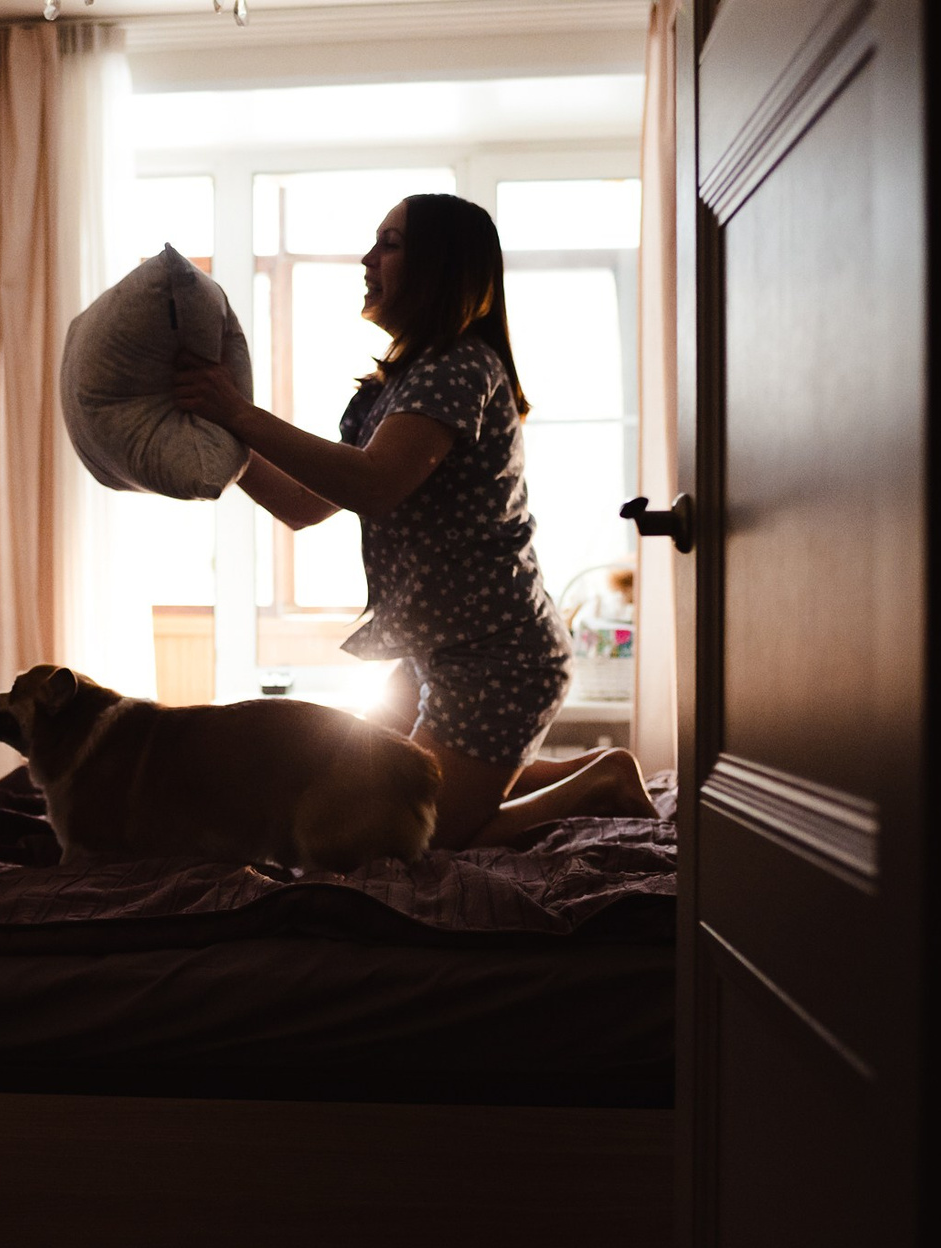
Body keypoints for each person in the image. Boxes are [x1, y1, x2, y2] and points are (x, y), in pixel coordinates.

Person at [173, 194, 656, 847]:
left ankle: (604, 784)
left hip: (498, 656)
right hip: (435, 652)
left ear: (439, 266)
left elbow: (373, 484)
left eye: (390, 244)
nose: (367, 259)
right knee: (367, 802)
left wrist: (237, 412)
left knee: (414, 837)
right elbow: (304, 506)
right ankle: (582, 773)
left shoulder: (461, 365)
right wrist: (219, 448)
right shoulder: (389, 388)